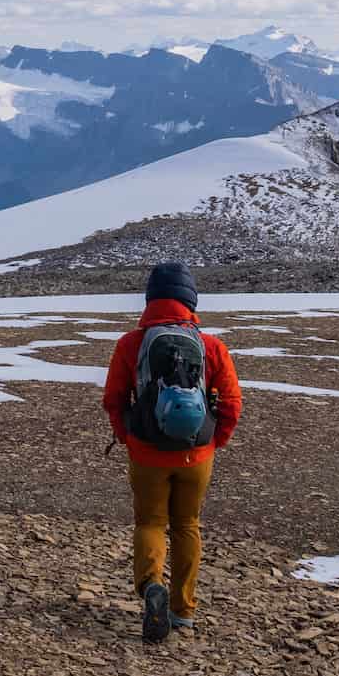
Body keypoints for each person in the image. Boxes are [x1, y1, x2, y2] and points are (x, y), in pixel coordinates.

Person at [100, 259, 242, 643]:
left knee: (150, 523)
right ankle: (183, 610)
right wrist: (215, 441)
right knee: (186, 526)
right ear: (190, 300)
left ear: (149, 300)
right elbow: (231, 403)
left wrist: (128, 436)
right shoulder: (211, 346)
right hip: (197, 455)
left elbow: (113, 399)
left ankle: (151, 588)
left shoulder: (131, 344)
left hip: (147, 452)